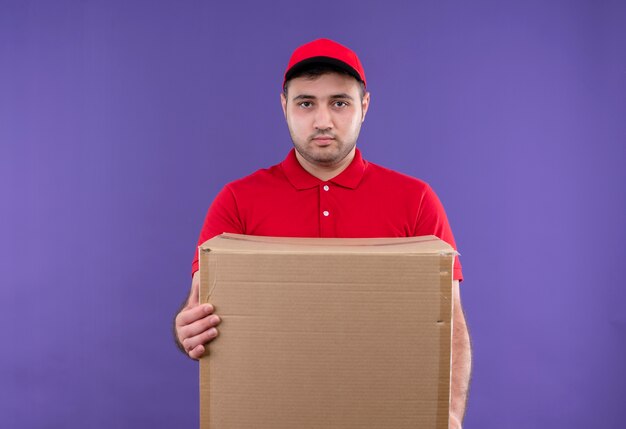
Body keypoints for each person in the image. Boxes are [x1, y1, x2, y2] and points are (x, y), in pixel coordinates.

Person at [174, 38, 472, 428]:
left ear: (364, 106)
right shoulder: (237, 201)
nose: (322, 121)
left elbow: (450, 325)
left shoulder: (415, 200)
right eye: (306, 103)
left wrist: (447, 417)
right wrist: (187, 331)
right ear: (284, 106)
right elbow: (198, 309)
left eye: (339, 102)